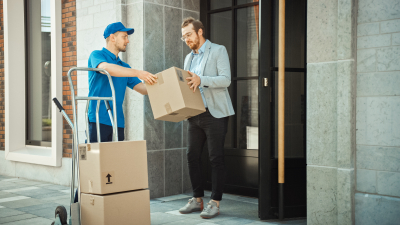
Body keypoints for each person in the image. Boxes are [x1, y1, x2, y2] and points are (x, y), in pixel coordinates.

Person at [178, 17, 235, 219]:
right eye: (184, 36)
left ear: (200, 32)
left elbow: (225, 79)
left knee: (215, 158)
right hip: (194, 114)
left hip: (215, 113)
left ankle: (215, 202)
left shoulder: (218, 50)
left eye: (189, 35)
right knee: (192, 156)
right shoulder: (188, 59)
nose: (187, 39)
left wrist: (202, 80)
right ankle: (197, 199)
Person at [87, 22, 157, 142]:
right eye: (124, 37)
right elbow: (105, 68)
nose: (127, 41)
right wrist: (137, 72)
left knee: (116, 160)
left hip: (118, 122)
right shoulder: (97, 55)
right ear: (113, 37)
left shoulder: (124, 67)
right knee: (97, 160)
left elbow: (143, 89)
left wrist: (167, 85)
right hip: (99, 119)